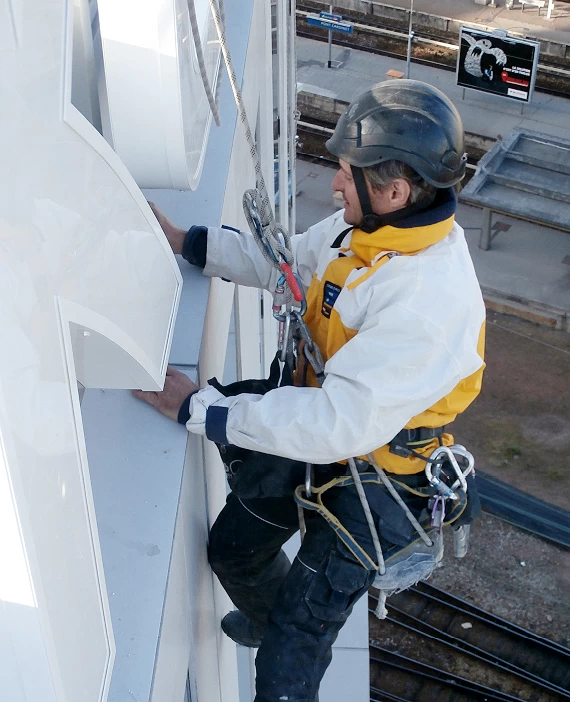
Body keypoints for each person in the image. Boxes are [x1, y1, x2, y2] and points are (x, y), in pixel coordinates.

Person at [134, 79, 486, 702]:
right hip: (327, 419)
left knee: (288, 663)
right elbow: (291, 263)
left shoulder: (430, 302)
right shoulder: (368, 232)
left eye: (347, 174)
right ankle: (268, 615)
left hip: (379, 478)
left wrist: (202, 409)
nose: (335, 185)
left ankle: (281, 630)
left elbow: (336, 423)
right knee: (233, 551)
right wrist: (189, 243)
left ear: (395, 190)